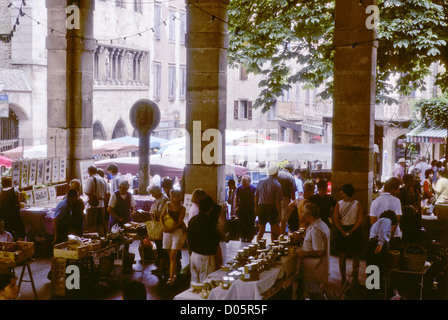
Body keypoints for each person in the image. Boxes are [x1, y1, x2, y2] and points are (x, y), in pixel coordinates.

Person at [297, 203, 330, 300]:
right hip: (319, 269)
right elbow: (313, 244)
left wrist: (304, 253)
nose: (302, 215)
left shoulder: (315, 229)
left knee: (315, 295)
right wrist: (301, 240)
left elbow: (319, 251)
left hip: (314, 270)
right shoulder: (321, 224)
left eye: (303, 213)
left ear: (307, 214)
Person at [333, 184, 363, 286]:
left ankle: (343, 278)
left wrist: (342, 231)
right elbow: (360, 220)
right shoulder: (357, 204)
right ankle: (355, 279)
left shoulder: (338, 204)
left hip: (342, 230)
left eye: (342, 191)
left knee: (342, 255)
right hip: (355, 231)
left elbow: (336, 220)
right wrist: (352, 230)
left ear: (344, 193)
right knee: (356, 255)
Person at [188, 195, 221, 283]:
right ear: (210, 208)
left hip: (194, 255)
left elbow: (189, 240)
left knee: (194, 285)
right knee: (205, 285)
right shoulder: (209, 223)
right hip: (206, 257)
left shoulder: (192, 220)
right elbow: (215, 241)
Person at [366, 210, 398, 289]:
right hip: (376, 244)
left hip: (371, 245)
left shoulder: (377, 222)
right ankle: (375, 292)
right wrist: (380, 244)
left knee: (372, 270)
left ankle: (371, 292)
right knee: (377, 269)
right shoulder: (387, 220)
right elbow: (383, 231)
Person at [160, 189, 186, 285]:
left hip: (176, 233)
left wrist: (171, 229)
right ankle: (174, 272)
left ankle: (170, 278)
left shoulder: (182, 208)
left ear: (178, 197)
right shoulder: (167, 205)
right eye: (170, 196)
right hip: (166, 232)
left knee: (172, 256)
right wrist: (163, 226)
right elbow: (161, 217)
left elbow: (179, 222)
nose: (170, 198)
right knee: (169, 254)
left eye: (173, 196)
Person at [369, 177, 402, 248]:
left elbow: (373, 221)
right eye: (397, 189)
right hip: (394, 235)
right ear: (393, 189)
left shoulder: (375, 202)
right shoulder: (396, 201)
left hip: (378, 236)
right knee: (393, 258)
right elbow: (397, 219)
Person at [254, 166, 283, 242]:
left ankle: (258, 246)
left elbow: (256, 196)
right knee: (274, 229)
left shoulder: (261, 181)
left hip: (261, 207)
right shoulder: (277, 184)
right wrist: (280, 214)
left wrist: (256, 207)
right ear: (276, 173)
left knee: (261, 229)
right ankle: (274, 247)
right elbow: (277, 202)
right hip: (272, 208)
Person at [148, 185, 169, 276]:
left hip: (162, 225)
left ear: (157, 192)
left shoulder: (163, 199)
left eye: (153, 193)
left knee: (161, 247)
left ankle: (162, 267)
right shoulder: (157, 199)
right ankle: (161, 266)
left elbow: (160, 213)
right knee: (159, 246)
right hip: (158, 225)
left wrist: (152, 214)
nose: (152, 195)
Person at [84, 165, 108, 236]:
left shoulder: (91, 179)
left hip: (93, 206)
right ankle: (102, 241)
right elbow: (106, 193)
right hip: (102, 205)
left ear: (89, 171)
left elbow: (87, 191)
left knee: (92, 225)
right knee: (100, 224)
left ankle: (94, 241)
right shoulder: (103, 179)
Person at [277, 163, 297, 235]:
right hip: (285, 199)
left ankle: (275, 237)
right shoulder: (290, 177)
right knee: (283, 219)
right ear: (291, 170)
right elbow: (292, 193)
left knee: (276, 219)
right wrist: (294, 202)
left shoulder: (277, 174)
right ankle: (281, 237)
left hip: (274, 200)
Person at [235, 175, 256, 242]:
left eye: (245, 181)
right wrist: (236, 207)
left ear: (249, 182)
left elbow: (256, 198)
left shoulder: (253, 188)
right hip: (242, 208)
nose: (243, 183)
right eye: (242, 181)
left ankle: (249, 237)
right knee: (242, 223)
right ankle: (243, 236)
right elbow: (236, 198)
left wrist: (256, 207)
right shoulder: (239, 188)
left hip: (251, 208)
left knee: (250, 223)